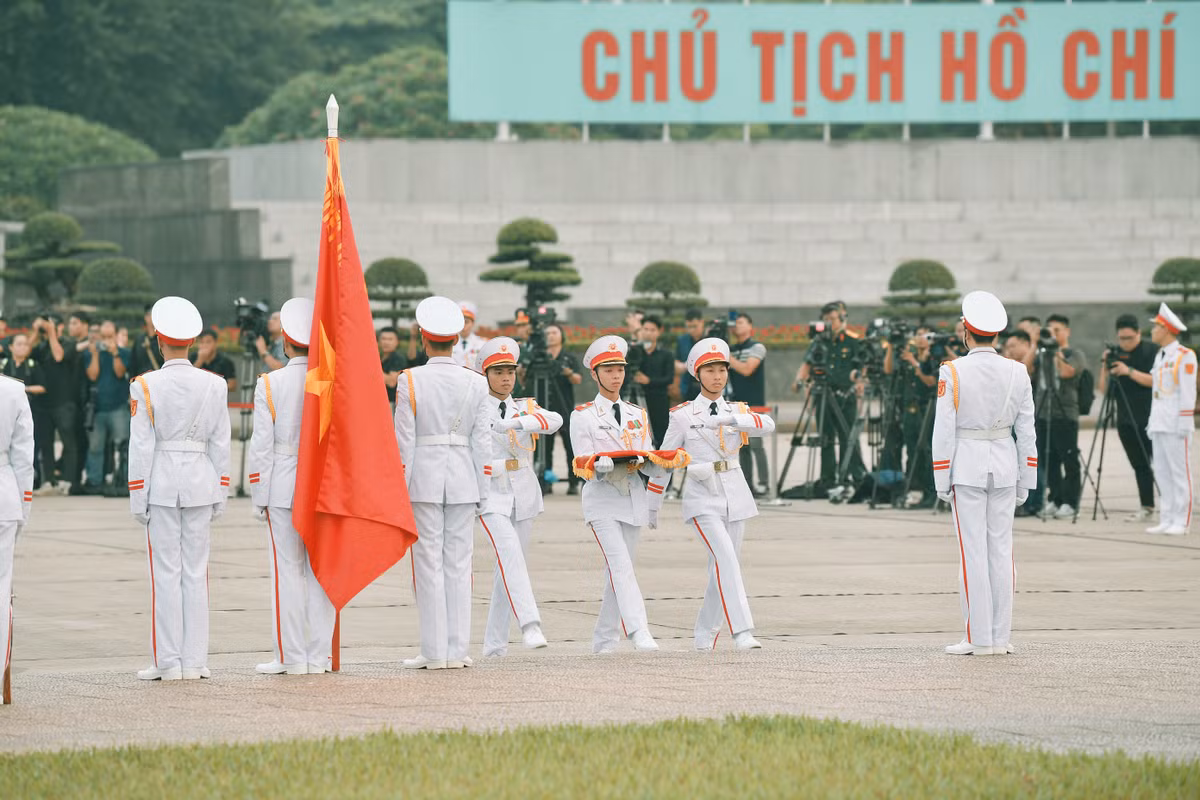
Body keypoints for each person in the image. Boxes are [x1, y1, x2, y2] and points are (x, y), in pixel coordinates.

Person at [128, 296, 232, 681]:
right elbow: (221, 442)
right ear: (192, 342)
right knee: (196, 572)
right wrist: (222, 488)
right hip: (201, 480)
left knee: (166, 573)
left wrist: (137, 494)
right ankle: (195, 660)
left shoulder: (146, 385)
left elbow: (140, 446)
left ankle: (168, 662)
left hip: (162, 482)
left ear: (159, 341)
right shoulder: (214, 384)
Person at [646, 337, 773, 651]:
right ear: (697, 375)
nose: (717, 376)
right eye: (710, 370)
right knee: (727, 560)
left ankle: (704, 634)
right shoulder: (683, 415)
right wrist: (652, 504)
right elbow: (664, 460)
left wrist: (733, 419)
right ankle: (742, 631)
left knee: (722, 566)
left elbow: (767, 424)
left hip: (735, 494)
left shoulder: (737, 410)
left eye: (722, 370)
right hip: (702, 496)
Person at [932, 291, 1036, 656]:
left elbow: (943, 430)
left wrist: (940, 477)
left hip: (968, 464)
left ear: (966, 330)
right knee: (1002, 551)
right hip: (1005, 464)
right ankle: (999, 636)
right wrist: (1028, 476)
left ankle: (978, 637)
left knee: (972, 552)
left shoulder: (953, 371)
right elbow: (1027, 429)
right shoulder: (1017, 370)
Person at [394, 296, 491, 670]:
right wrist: (483, 487)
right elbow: (482, 440)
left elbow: (404, 440)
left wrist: (400, 487)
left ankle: (433, 651)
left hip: (425, 478)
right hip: (465, 475)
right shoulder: (476, 381)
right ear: (455, 339)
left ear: (423, 338)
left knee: (428, 563)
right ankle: (457, 649)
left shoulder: (410, 380)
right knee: (459, 563)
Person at [249, 298, 336, 675]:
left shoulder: (271, 382)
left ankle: (290, 656)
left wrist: (258, 494)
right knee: (321, 572)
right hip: (325, 483)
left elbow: (261, 447)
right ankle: (319, 657)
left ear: (285, 341)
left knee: (288, 570)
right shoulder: (331, 381)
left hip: (284, 482)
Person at [570, 335, 658, 653]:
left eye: (619, 368)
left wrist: (661, 464)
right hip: (602, 498)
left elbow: (648, 454)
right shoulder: (583, 415)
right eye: (608, 369)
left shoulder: (637, 413)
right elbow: (581, 462)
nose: (615, 375)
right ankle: (639, 631)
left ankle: (604, 640)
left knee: (619, 572)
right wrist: (600, 465)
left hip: (633, 497)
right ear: (594, 374)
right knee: (620, 565)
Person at [475, 337, 557, 657]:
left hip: (522, 493)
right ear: (486, 374)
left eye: (510, 371)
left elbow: (555, 421)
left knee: (506, 569)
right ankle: (530, 624)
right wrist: (491, 467)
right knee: (510, 553)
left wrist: (516, 421)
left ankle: (494, 646)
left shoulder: (525, 406)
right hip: (491, 494)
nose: (506, 378)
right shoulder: (476, 407)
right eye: (499, 372)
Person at [1124, 304, 1195, 535]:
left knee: (1179, 473)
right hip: (1160, 423)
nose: (1152, 331)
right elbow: (1157, 390)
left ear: (1166, 330)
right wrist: (1153, 422)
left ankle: (1181, 521)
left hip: (1176, 424)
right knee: (1162, 472)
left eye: (1156, 327)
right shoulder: (1161, 357)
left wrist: (1185, 422)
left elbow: (1187, 392)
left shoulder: (1185, 356)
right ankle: (1167, 517)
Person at [795, 301, 867, 494]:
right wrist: (800, 382)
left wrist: (860, 382)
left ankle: (850, 476)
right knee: (825, 438)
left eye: (832, 319)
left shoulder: (853, 341)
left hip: (846, 397)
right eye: (825, 320)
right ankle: (828, 478)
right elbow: (807, 364)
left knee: (847, 438)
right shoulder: (819, 342)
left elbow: (862, 366)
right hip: (823, 397)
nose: (829, 323)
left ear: (842, 319)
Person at [1100, 315, 1158, 523]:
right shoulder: (1116, 354)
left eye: (1129, 338)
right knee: (1140, 465)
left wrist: (1129, 371)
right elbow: (1103, 389)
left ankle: (1172, 505)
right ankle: (1147, 506)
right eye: (1122, 338)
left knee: (1160, 464)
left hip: (1151, 417)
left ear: (1138, 333)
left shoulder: (1152, 351)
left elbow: (1156, 381)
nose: (1125, 343)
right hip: (1125, 418)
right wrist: (1104, 365)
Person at [0, 367, 34, 701]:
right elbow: (25, 458)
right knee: (1, 590)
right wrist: (24, 507)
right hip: (4, 495)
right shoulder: (13, 391)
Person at [518, 322, 583, 495]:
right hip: (543, 410)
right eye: (547, 333)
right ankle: (544, 480)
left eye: (554, 332)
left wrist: (567, 372)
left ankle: (574, 481)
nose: (551, 335)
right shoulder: (536, 358)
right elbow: (525, 382)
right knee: (544, 446)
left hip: (564, 406)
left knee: (571, 446)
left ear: (561, 335)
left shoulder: (568, 357)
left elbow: (578, 379)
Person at [1035, 314, 1087, 520]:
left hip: (1065, 413)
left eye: (1057, 331)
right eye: (1050, 331)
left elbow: (1067, 372)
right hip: (1043, 412)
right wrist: (1036, 344)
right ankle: (1055, 498)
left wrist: (1055, 351)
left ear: (1067, 332)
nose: (1053, 335)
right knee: (1049, 460)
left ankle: (1070, 502)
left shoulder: (1075, 353)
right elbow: (1027, 368)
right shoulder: (1042, 354)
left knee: (1068, 458)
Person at [882, 325, 939, 508]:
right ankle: (915, 488)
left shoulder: (934, 358)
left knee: (928, 451)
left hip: (927, 409)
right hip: (909, 409)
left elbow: (931, 381)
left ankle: (931, 491)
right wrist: (891, 348)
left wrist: (915, 362)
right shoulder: (907, 356)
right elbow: (889, 370)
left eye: (924, 335)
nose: (920, 338)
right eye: (918, 334)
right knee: (912, 450)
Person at [28, 314, 82, 494]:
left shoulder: (69, 344)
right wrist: (36, 332)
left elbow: (58, 356)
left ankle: (68, 481)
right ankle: (48, 481)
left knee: (69, 442)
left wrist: (52, 333)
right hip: (43, 403)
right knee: (45, 443)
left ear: (60, 328)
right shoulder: (41, 346)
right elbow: (25, 351)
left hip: (64, 401)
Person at [82, 320, 131, 494]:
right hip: (97, 409)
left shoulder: (124, 352)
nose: (106, 340)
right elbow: (92, 376)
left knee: (122, 445)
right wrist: (95, 354)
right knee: (95, 447)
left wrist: (115, 353)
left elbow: (120, 373)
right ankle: (95, 481)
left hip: (118, 407)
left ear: (116, 335)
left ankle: (123, 479)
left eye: (109, 336)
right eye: (103, 337)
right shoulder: (90, 354)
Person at [729, 313, 771, 496]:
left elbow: (747, 369)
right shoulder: (731, 349)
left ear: (750, 326)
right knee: (742, 447)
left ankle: (764, 483)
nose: (736, 326)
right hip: (736, 404)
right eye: (735, 323)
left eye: (740, 322)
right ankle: (747, 484)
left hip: (754, 404)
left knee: (755, 444)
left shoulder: (757, 347)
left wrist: (727, 357)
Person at [0, 335, 48, 490]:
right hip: (5, 415)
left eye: (26, 344)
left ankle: (32, 480)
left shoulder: (33, 365)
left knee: (29, 446)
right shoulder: (3, 364)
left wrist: (21, 390)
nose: (23, 347)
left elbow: (42, 387)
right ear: (11, 347)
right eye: (19, 344)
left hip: (31, 412)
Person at [632, 315, 674, 448]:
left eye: (652, 330)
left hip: (659, 401)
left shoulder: (666, 354)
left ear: (659, 331)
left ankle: (665, 467)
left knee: (662, 438)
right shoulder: (635, 352)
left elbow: (669, 378)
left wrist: (649, 381)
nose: (648, 333)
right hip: (636, 401)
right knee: (639, 437)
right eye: (645, 329)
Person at [674, 309, 706, 401]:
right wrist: (684, 366)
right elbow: (677, 361)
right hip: (688, 387)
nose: (692, 330)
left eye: (695, 326)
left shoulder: (710, 339)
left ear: (702, 322)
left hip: (707, 386)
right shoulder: (682, 340)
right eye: (689, 327)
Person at [128, 304, 164, 378]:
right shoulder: (139, 340)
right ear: (145, 317)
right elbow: (133, 366)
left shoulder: (163, 340)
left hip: (160, 383)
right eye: (149, 314)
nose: (151, 317)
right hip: (141, 384)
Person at [451, 301, 488, 369]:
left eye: (466, 322)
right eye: (460, 322)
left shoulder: (483, 344)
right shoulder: (449, 343)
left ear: (473, 323)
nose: (463, 326)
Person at [378, 327, 408, 407]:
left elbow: (391, 382)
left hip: (392, 404)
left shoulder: (398, 358)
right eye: (383, 339)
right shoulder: (378, 357)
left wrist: (372, 367)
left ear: (397, 342)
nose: (386, 342)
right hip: (379, 402)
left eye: (390, 339)